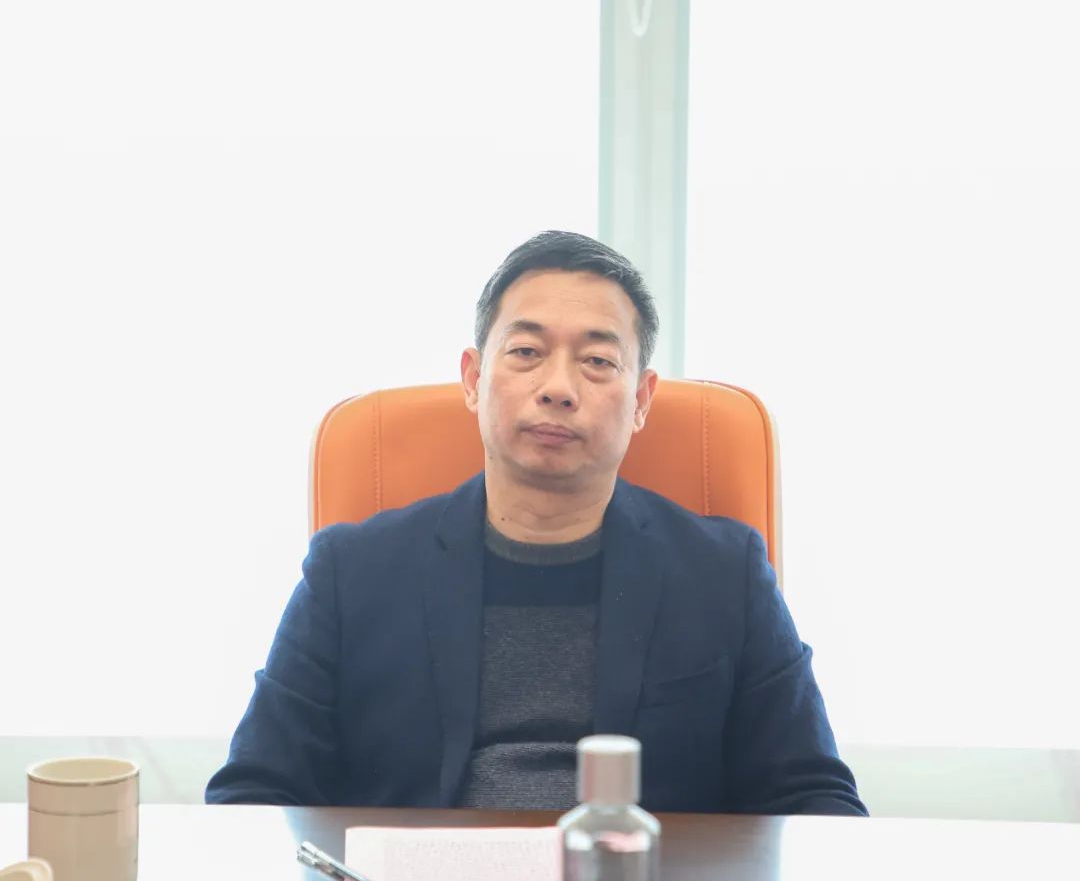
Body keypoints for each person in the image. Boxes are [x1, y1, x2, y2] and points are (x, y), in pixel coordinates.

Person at [206, 231, 866, 815]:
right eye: (526, 351)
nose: (558, 387)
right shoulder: (351, 572)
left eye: (598, 361)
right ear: (473, 379)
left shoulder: (724, 573)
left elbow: (813, 799)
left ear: (641, 400)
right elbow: (253, 795)